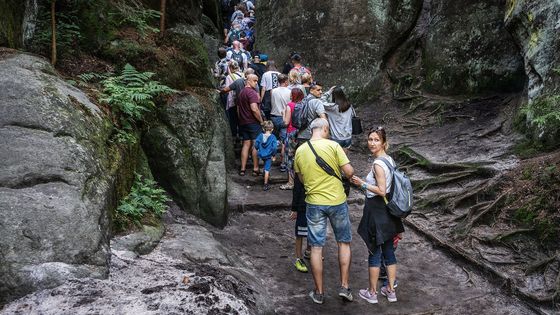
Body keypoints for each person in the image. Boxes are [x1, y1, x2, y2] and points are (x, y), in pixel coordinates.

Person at [294, 118, 355, 305]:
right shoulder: (334, 146)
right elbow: (349, 172)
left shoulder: (300, 150)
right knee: (343, 243)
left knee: (316, 248)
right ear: (325, 129)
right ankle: (344, 287)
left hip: (314, 203)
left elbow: (302, 180)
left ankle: (319, 292)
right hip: (337, 201)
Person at [351, 127, 404, 304]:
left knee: (374, 252)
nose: (372, 143)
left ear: (383, 142)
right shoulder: (389, 160)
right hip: (388, 212)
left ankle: (372, 293)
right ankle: (390, 291)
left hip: (376, 211)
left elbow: (381, 190)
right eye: (370, 139)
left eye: (376, 140)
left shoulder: (378, 164)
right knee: (389, 252)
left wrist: (362, 184)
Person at [237, 74, 264, 176]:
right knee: (255, 145)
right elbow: (254, 108)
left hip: (243, 122)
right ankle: (255, 168)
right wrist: (261, 121)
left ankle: (243, 169)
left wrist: (241, 120)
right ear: (248, 81)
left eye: (257, 81)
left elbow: (238, 109)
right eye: (254, 80)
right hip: (253, 122)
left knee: (246, 144)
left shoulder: (241, 93)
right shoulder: (252, 93)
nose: (256, 83)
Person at [280, 88, 304, 190]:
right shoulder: (303, 105)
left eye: (291, 94)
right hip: (301, 133)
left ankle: (291, 182)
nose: (290, 95)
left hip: (291, 133)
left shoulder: (290, 105)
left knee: (289, 157)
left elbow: (286, 122)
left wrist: (283, 114)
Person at [270, 74, 291, 168]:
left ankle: (271, 158)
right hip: (284, 117)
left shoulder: (273, 91)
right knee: (284, 142)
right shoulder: (289, 91)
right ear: (286, 81)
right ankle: (283, 163)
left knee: (273, 139)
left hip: (274, 116)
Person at [323, 86, 353, 153]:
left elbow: (321, 101)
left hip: (336, 138)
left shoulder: (332, 107)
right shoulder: (349, 106)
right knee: (343, 159)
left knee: (335, 160)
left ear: (334, 96)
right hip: (348, 137)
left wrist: (329, 92)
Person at [254, 121, 277, 191]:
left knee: (265, 164)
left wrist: (258, 148)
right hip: (269, 155)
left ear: (264, 129)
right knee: (267, 169)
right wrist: (273, 155)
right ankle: (265, 184)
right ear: (272, 129)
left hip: (261, 154)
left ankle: (264, 174)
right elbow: (274, 148)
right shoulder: (273, 137)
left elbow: (256, 144)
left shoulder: (260, 136)